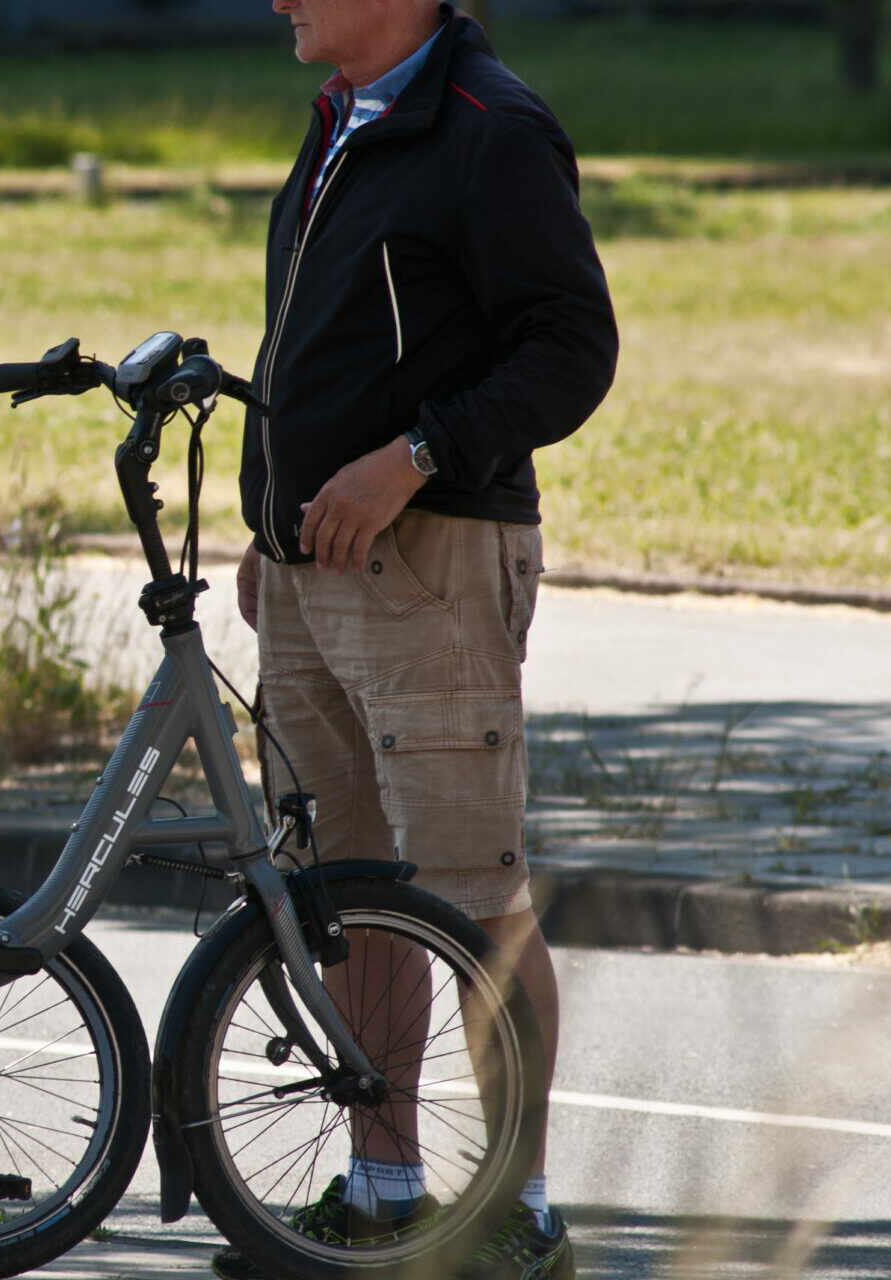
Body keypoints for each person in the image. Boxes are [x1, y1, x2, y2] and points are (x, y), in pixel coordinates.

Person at [223, 3, 618, 1279]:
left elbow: (572, 349)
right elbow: (321, 349)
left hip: (432, 566)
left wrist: (412, 461)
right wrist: (269, 521)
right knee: (347, 897)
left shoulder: (489, 129)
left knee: (471, 893)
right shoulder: (341, 116)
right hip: (308, 568)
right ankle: (384, 1191)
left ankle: (518, 1216)